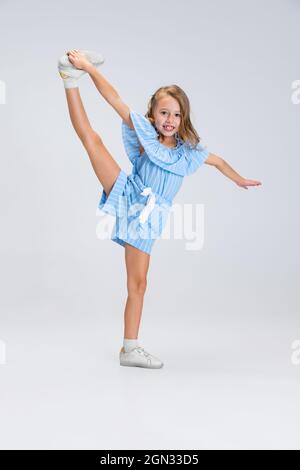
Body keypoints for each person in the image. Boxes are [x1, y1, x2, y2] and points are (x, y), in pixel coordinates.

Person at [58, 49, 262, 369]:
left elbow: (219, 161)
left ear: (184, 119)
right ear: (153, 114)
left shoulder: (187, 154)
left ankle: (129, 348)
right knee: (92, 141)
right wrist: (87, 69)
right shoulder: (145, 139)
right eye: (164, 113)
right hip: (130, 193)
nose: (170, 120)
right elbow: (114, 100)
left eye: (177, 115)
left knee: (138, 284)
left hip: (148, 220)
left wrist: (239, 180)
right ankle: (70, 80)